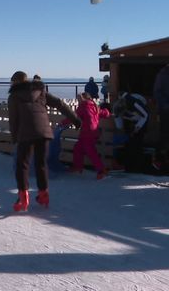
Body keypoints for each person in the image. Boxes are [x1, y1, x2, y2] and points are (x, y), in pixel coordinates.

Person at [8, 71, 80, 211]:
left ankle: (23, 197)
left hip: (25, 133)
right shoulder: (40, 92)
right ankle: (43, 194)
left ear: (15, 82)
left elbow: (13, 119)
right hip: (44, 132)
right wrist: (75, 119)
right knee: (41, 164)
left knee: (22, 165)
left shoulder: (14, 96)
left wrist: (14, 138)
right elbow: (59, 103)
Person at [68, 92, 111, 179]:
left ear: (84, 99)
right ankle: (78, 167)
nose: (78, 100)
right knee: (78, 148)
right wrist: (108, 113)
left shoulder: (83, 106)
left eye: (79, 98)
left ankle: (101, 170)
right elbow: (104, 113)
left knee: (91, 152)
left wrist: (62, 123)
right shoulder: (94, 106)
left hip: (88, 133)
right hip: (92, 132)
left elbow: (73, 117)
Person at [112, 92, 149, 172]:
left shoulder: (134, 103)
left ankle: (138, 166)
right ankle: (129, 164)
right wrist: (122, 130)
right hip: (130, 119)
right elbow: (119, 125)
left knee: (138, 140)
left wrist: (137, 127)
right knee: (129, 140)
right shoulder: (116, 109)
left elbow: (145, 115)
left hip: (142, 117)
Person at [153, 64, 169, 169]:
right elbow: (157, 92)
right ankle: (159, 161)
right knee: (165, 135)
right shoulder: (163, 74)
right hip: (165, 111)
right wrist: (166, 105)